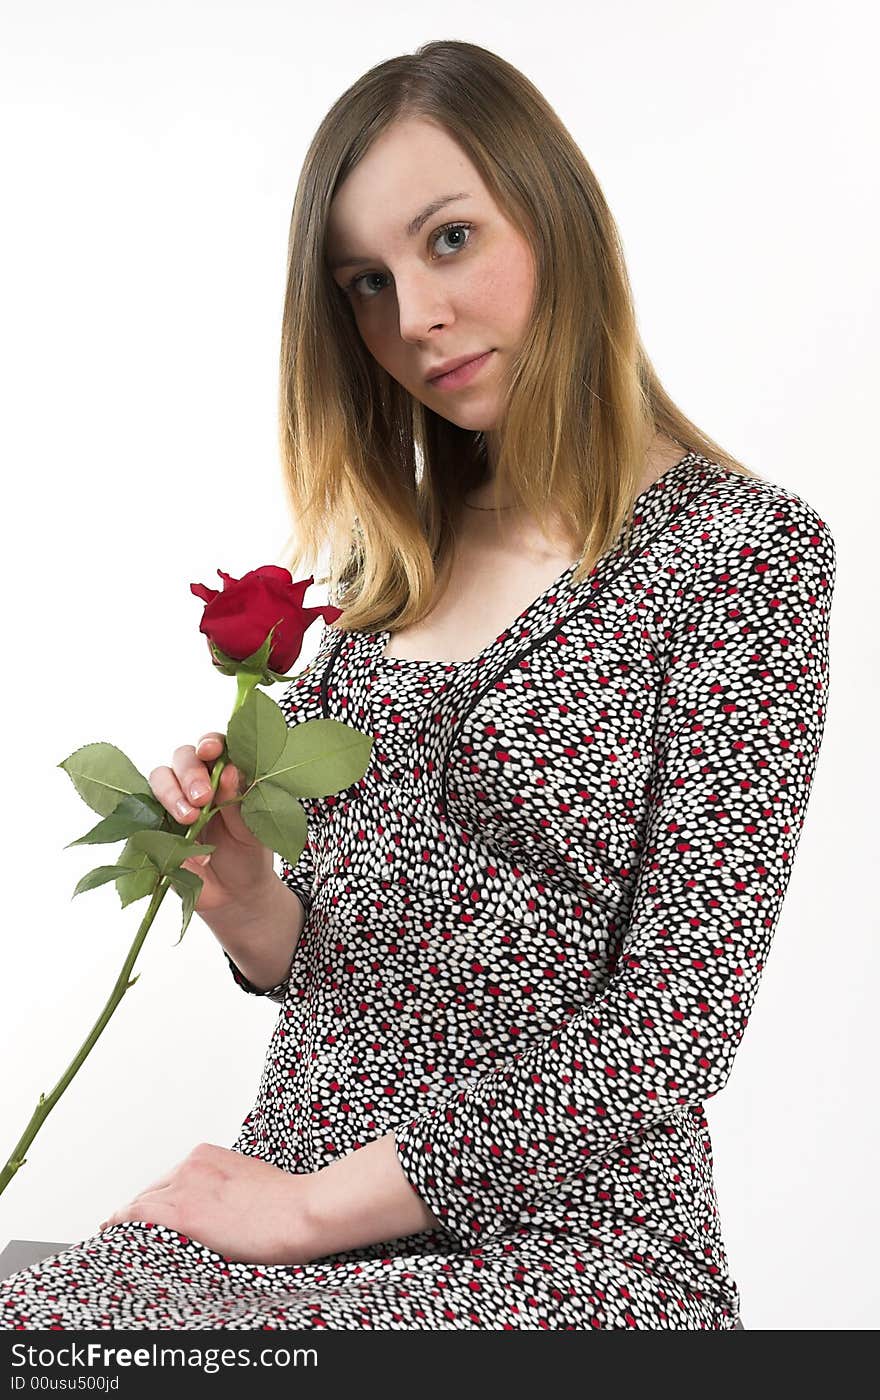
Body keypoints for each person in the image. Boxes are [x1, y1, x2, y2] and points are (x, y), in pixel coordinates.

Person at [0, 39, 835, 1331]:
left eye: (449, 242)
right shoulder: (384, 564)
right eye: (364, 284)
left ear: (557, 217)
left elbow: (679, 1020)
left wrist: (314, 1211)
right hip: (279, 1201)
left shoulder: (741, 559)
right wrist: (248, 900)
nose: (412, 319)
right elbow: (348, 953)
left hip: (564, 1246)